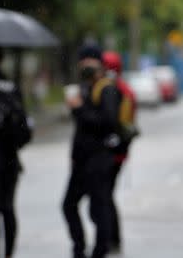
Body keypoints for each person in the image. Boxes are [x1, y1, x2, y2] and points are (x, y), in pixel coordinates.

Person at [62, 45, 120, 258]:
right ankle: (79, 248)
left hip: (99, 160)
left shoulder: (107, 88)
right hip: (82, 160)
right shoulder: (85, 87)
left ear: (99, 64)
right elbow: (82, 128)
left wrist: (78, 109)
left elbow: (108, 123)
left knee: (99, 208)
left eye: (89, 61)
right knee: (69, 206)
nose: (84, 65)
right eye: (82, 61)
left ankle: (99, 251)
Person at [0, 47, 29, 258]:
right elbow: (25, 128)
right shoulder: (11, 86)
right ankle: (8, 255)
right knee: (8, 208)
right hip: (11, 158)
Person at [101, 51, 135, 255]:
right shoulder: (124, 88)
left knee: (105, 195)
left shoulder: (114, 90)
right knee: (107, 194)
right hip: (121, 151)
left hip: (113, 152)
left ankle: (111, 238)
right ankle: (112, 237)